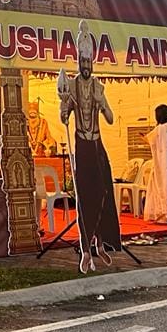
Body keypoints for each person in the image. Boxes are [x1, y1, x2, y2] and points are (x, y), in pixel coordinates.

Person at [59, 20, 121, 273]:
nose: (86, 66)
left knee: (104, 191)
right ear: (78, 62)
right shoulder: (72, 86)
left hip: (97, 143)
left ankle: (101, 242)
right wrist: (63, 106)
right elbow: (64, 117)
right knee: (85, 197)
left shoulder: (98, 86)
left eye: (89, 62)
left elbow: (111, 118)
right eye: (82, 62)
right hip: (82, 145)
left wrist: (102, 104)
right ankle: (86, 249)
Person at [142, 104, 167, 224]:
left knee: (162, 186)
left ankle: (165, 214)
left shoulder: (162, 128)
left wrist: (144, 138)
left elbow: (152, 139)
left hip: (165, 161)